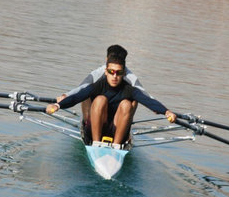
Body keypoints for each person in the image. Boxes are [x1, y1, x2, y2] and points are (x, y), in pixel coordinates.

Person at [46, 53, 177, 145]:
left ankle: (116, 146)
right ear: (106, 71)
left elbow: (148, 101)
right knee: (100, 99)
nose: (115, 76)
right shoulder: (98, 86)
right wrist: (58, 106)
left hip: (116, 130)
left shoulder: (129, 89)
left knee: (127, 104)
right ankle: (96, 143)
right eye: (111, 72)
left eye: (119, 73)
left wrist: (166, 112)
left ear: (124, 73)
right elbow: (77, 97)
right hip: (96, 128)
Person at [57, 45, 148, 122]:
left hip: (118, 114)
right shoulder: (98, 73)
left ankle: (125, 124)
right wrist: (66, 95)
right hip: (97, 109)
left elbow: (143, 94)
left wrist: (157, 108)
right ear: (107, 59)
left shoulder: (130, 77)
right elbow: (82, 87)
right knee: (86, 91)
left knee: (135, 98)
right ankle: (88, 121)